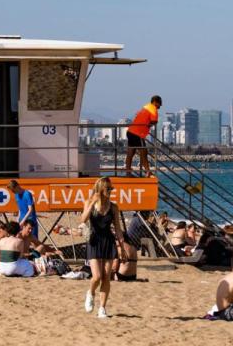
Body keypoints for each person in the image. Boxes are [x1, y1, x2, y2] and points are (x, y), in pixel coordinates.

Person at [80, 176, 123, 319]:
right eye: (108, 189)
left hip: (108, 241)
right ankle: (90, 293)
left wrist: (121, 246)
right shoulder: (89, 202)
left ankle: (102, 308)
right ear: (100, 189)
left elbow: (117, 228)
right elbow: (83, 220)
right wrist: (92, 202)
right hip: (94, 240)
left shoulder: (114, 207)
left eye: (111, 189)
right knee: (97, 276)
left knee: (106, 277)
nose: (110, 191)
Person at [125, 95, 161, 177]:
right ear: (155, 102)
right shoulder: (153, 108)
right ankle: (147, 171)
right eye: (159, 104)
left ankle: (128, 171)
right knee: (143, 152)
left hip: (131, 131)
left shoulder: (145, 107)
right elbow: (154, 121)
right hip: (138, 133)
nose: (160, 106)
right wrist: (149, 125)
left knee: (131, 152)